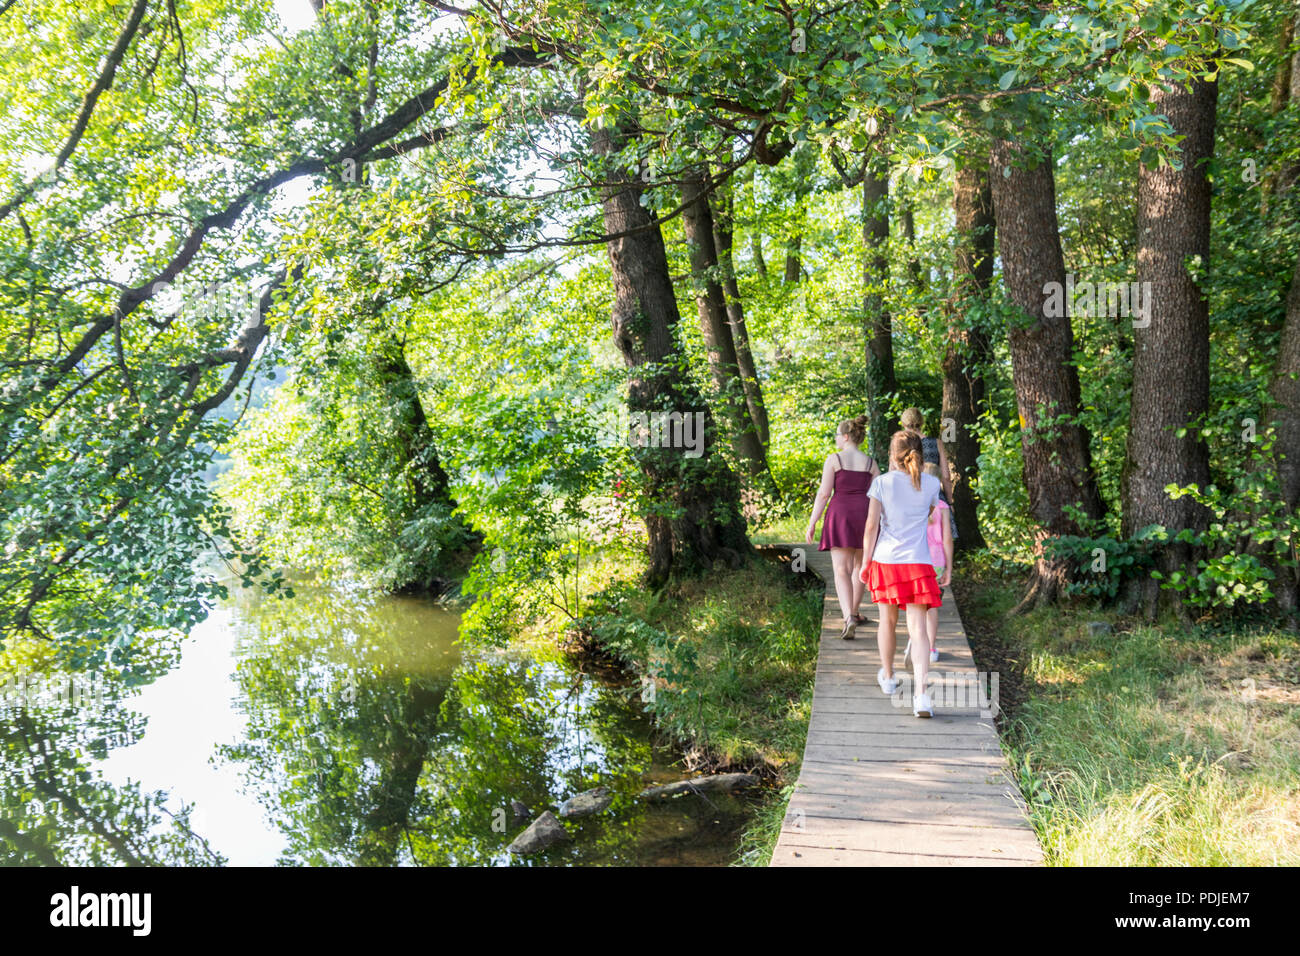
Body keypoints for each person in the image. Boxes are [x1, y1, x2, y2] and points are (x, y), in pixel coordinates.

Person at [860, 430, 949, 718]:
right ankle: (922, 697)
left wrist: (864, 562)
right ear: (919, 454)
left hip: (886, 561)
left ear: (891, 454)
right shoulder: (932, 484)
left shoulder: (881, 484)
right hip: (919, 563)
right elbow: (927, 516)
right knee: (919, 630)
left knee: (887, 621)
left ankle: (888, 677)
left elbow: (872, 527)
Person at [806, 415, 880, 639]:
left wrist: (812, 522)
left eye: (837, 436)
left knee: (841, 570)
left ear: (846, 437)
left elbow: (824, 494)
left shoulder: (834, 460)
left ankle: (848, 617)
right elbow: (879, 495)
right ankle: (855, 612)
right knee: (860, 567)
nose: (836, 440)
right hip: (865, 514)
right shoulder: (871, 463)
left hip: (840, 514)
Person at [905, 494, 954, 666]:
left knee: (914, 604)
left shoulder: (911, 503)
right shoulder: (942, 506)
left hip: (916, 559)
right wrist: (949, 567)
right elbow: (947, 538)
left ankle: (914, 641)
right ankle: (931, 648)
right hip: (937, 560)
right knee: (932, 607)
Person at [900, 406, 958, 542]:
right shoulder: (936, 443)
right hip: (935, 497)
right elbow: (945, 476)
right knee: (940, 541)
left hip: (908, 497)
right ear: (922, 423)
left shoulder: (901, 445)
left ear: (903, 424)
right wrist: (950, 502)